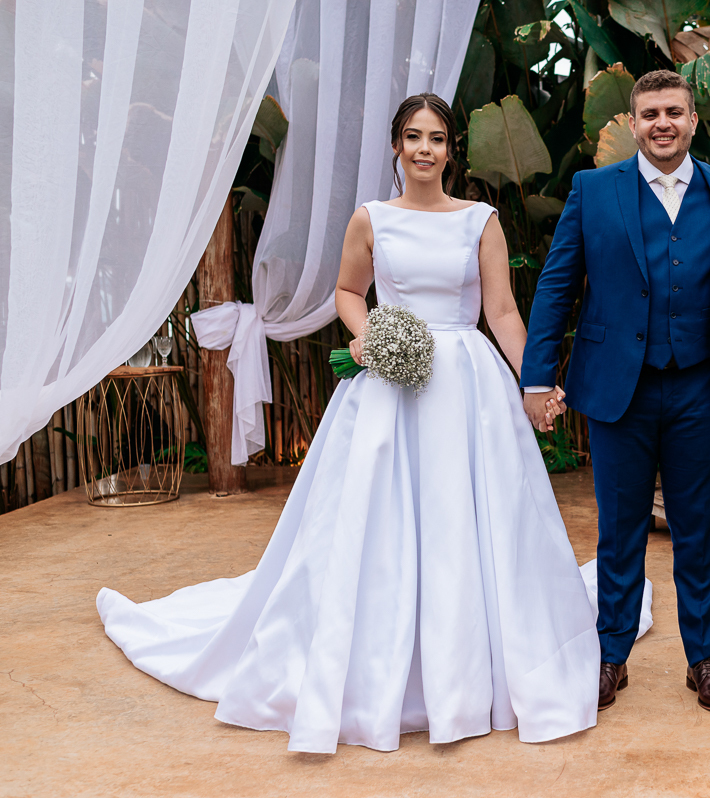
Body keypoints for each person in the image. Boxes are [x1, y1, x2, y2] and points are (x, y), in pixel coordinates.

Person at [96, 93, 603, 753]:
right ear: (397, 146)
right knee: (378, 520)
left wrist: (533, 380)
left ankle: (472, 662)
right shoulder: (371, 220)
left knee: (471, 518)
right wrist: (368, 337)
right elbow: (346, 292)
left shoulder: (481, 220)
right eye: (414, 137)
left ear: (452, 150)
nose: (426, 149)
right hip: (391, 386)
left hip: (467, 385)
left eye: (438, 138)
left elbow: (503, 311)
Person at [521, 70, 710, 713]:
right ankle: (611, 655)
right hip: (616, 389)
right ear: (632, 123)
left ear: (692, 121)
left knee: (697, 529)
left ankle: (701, 656)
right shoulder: (594, 191)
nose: (662, 124)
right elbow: (556, 285)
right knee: (619, 530)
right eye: (649, 113)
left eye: (674, 112)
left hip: (701, 389)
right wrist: (537, 376)